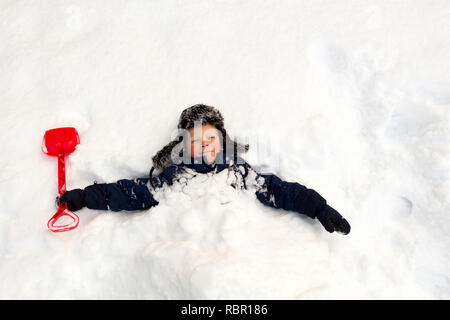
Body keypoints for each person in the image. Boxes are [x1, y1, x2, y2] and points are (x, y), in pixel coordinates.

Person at [59, 104, 351, 235]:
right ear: (184, 145)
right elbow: (131, 194)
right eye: (196, 141)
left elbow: (279, 190)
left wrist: (318, 207)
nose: (205, 146)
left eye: (210, 138)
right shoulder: (177, 180)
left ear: (222, 138)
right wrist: (85, 197)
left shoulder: (238, 172)